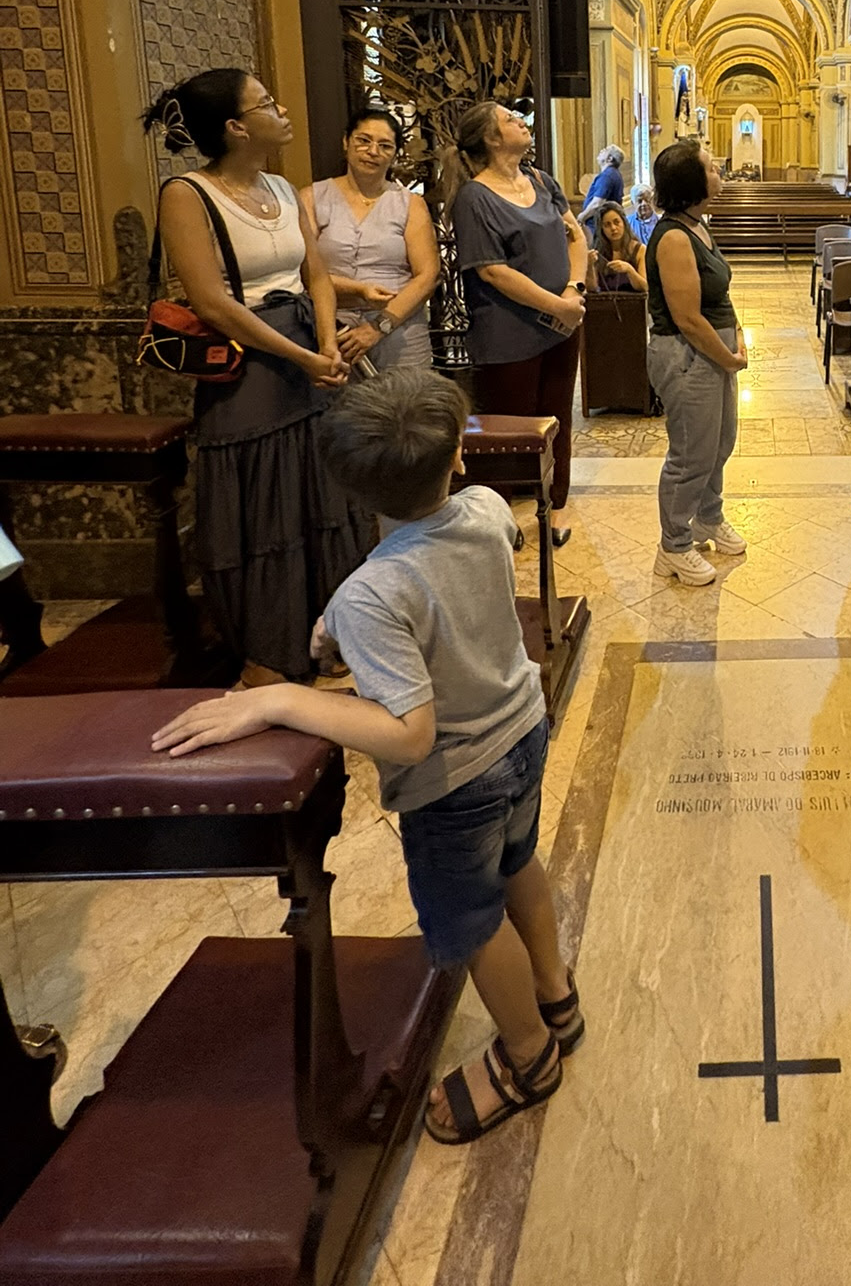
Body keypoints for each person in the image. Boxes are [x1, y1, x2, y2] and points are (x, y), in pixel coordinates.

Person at [148, 366, 581, 1146]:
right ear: (458, 456)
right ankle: (556, 995)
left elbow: (410, 731)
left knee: (472, 922)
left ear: (347, 488)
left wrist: (280, 699)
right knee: (519, 860)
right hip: (522, 731)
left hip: (457, 780)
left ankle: (529, 1055)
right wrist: (348, 619)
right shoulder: (486, 508)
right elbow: (449, 573)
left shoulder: (372, 595)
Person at [142, 69, 374, 683]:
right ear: (236, 127)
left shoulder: (280, 186)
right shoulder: (188, 194)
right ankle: (269, 649)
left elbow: (315, 274)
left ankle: (332, 634)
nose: (282, 108)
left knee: (324, 498)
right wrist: (301, 358)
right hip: (248, 366)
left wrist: (327, 343)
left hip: (308, 350)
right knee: (265, 508)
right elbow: (212, 303)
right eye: (266, 103)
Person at [448, 102, 588, 549]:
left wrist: (574, 290)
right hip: (508, 332)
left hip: (561, 326)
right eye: (510, 119)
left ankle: (555, 507)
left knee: (557, 418)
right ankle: (501, 519)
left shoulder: (541, 181)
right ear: (492, 139)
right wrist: (558, 305)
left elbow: (576, 236)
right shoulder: (474, 197)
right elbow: (492, 271)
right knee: (508, 429)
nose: (521, 121)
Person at [647, 139, 748, 585]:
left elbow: (717, 294)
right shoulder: (673, 237)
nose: (718, 169)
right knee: (691, 454)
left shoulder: (697, 225)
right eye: (710, 167)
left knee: (719, 442)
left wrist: (737, 333)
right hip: (687, 355)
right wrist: (727, 357)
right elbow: (687, 318)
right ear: (691, 182)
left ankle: (708, 517)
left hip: (714, 349)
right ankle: (673, 546)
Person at [303, 106, 440, 373]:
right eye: (363, 140)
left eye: (385, 145)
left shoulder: (410, 204)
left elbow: (427, 276)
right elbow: (304, 271)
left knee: (409, 398)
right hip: (332, 328)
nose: (373, 151)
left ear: (395, 154)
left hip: (398, 326)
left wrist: (379, 326)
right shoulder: (311, 197)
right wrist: (358, 289)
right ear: (346, 142)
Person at [587, 204, 647, 293]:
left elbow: (645, 287)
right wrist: (590, 265)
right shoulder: (597, 251)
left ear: (624, 223)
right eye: (607, 225)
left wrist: (630, 270)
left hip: (634, 300)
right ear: (601, 229)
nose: (613, 228)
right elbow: (591, 289)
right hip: (604, 300)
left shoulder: (640, 249)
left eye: (616, 222)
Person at [577, 145, 626, 235]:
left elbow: (597, 203)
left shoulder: (607, 176)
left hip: (598, 224)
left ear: (610, 158)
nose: (602, 150)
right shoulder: (614, 174)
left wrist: (582, 217)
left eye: (606, 150)